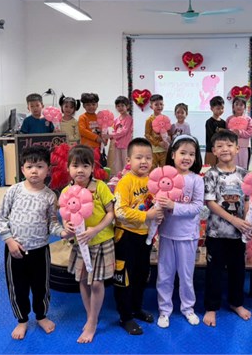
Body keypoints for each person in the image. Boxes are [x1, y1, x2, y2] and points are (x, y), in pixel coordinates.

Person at [0, 146, 68, 340]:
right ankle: (22, 320)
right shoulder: (14, 191)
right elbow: (1, 218)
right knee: (17, 287)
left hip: (40, 250)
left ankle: (41, 316)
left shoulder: (50, 196)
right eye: (29, 167)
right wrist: (9, 241)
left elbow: (52, 223)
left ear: (48, 170)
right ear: (23, 169)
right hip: (15, 250)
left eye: (39, 166)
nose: (34, 171)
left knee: (41, 286)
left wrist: (62, 231)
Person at [62, 145, 115, 343]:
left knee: (97, 282)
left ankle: (92, 323)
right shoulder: (67, 191)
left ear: (92, 168)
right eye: (75, 166)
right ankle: (91, 315)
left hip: (101, 241)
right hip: (80, 243)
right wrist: (66, 225)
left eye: (85, 166)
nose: (80, 170)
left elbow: (111, 213)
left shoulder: (100, 187)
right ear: (68, 168)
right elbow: (65, 214)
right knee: (83, 280)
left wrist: (95, 230)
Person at [113, 138, 164, 335]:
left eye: (148, 158)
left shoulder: (153, 181)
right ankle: (125, 317)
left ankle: (136, 308)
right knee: (124, 278)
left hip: (145, 237)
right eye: (139, 157)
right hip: (126, 237)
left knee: (141, 275)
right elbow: (120, 211)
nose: (144, 161)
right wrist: (146, 216)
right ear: (129, 160)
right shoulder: (125, 182)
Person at [202, 129, 252, 327]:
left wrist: (247, 221)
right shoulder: (211, 175)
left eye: (229, 145)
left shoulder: (244, 174)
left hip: (238, 234)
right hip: (216, 233)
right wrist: (234, 220)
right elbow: (210, 203)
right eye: (220, 146)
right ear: (214, 150)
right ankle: (211, 307)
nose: (225, 149)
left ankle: (236, 303)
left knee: (237, 270)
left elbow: (247, 200)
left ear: (237, 148)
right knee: (214, 271)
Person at [156, 135, 204, 329]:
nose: (187, 157)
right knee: (164, 274)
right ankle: (164, 310)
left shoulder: (196, 180)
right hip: (167, 234)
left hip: (188, 235)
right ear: (173, 154)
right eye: (183, 153)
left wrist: (174, 206)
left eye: (191, 154)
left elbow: (197, 207)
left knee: (186, 275)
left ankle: (188, 308)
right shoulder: (164, 178)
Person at [226, 97, 252, 169]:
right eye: (236, 104)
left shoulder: (248, 119)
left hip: (244, 147)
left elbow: (251, 132)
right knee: (232, 167)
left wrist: (240, 133)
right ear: (233, 107)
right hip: (232, 147)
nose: (239, 106)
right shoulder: (229, 119)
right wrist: (231, 133)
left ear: (244, 107)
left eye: (241, 105)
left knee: (243, 168)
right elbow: (226, 132)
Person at [109, 95, 133, 176]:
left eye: (122, 105)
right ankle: (118, 178)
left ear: (127, 106)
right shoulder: (116, 119)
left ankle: (126, 178)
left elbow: (124, 131)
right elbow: (114, 130)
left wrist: (111, 135)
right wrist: (109, 135)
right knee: (117, 163)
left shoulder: (129, 119)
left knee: (126, 163)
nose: (120, 108)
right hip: (117, 145)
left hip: (126, 145)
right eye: (118, 106)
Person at [144, 94, 169, 169]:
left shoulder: (165, 119)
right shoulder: (149, 120)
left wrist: (168, 139)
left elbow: (168, 132)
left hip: (164, 150)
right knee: (152, 169)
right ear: (151, 106)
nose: (159, 106)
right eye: (156, 104)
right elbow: (147, 135)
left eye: (161, 104)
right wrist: (158, 143)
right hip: (154, 150)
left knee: (164, 169)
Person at [204, 96, 226, 167]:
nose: (221, 110)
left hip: (221, 150)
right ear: (211, 108)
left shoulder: (224, 123)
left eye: (222, 108)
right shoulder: (209, 122)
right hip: (211, 150)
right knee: (210, 169)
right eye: (218, 108)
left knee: (221, 169)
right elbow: (211, 136)